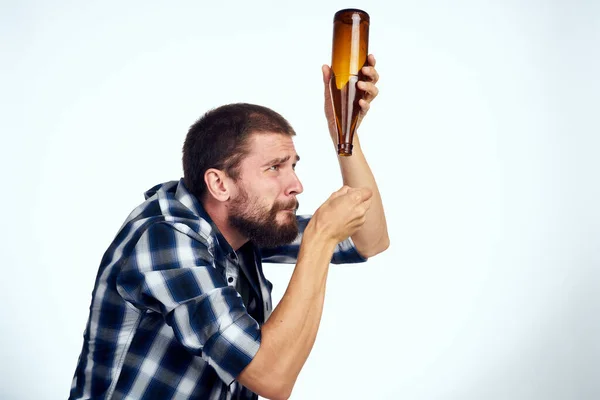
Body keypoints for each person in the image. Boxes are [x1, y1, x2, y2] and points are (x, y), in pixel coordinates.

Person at [69, 55, 389, 400]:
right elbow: (272, 377)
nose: (296, 184)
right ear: (220, 185)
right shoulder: (164, 237)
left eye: (293, 165)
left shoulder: (241, 221)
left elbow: (368, 239)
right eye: (274, 168)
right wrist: (321, 237)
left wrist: (345, 132)